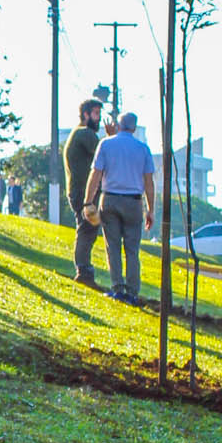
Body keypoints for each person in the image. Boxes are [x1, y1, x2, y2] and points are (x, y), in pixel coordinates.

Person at [83, 110, 154, 303]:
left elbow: (95, 175)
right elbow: (149, 182)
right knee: (132, 249)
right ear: (134, 127)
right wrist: (151, 209)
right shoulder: (143, 149)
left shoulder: (106, 144)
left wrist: (88, 201)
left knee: (112, 246)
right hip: (134, 201)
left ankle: (117, 288)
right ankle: (132, 292)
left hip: (110, 199)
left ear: (118, 125)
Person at [64, 98, 105, 286]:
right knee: (87, 229)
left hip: (78, 190)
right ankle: (84, 272)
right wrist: (112, 137)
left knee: (88, 228)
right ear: (86, 114)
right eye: (96, 114)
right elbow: (104, 155)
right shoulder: (85, 134)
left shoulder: (77, 133)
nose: (99, 118)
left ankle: (84, 269)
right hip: (83, 192)